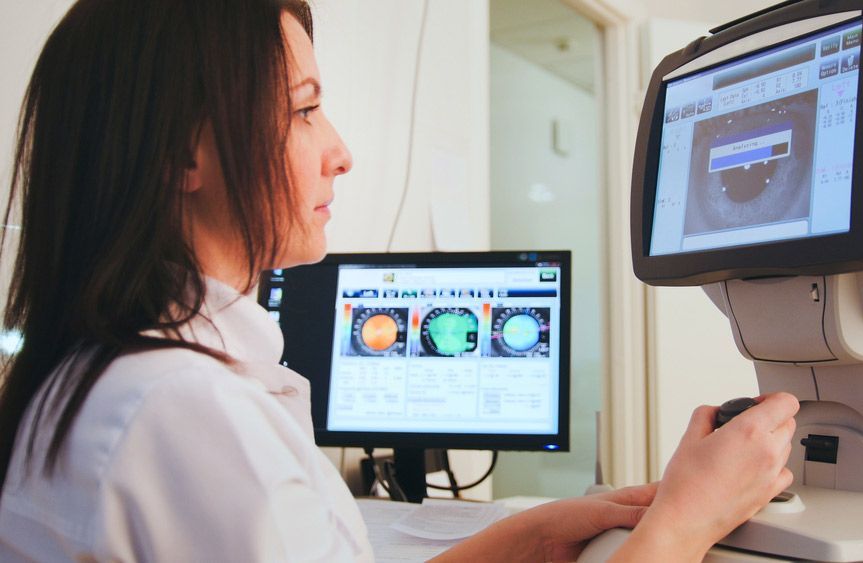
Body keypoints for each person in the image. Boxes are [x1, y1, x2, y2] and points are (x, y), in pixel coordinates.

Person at [0, 0, 799, 561]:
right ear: (184, 154)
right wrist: (689, 519)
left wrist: (525, 535)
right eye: (305, 110)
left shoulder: (101, 375)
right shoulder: (181, 412)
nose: (339, 151)